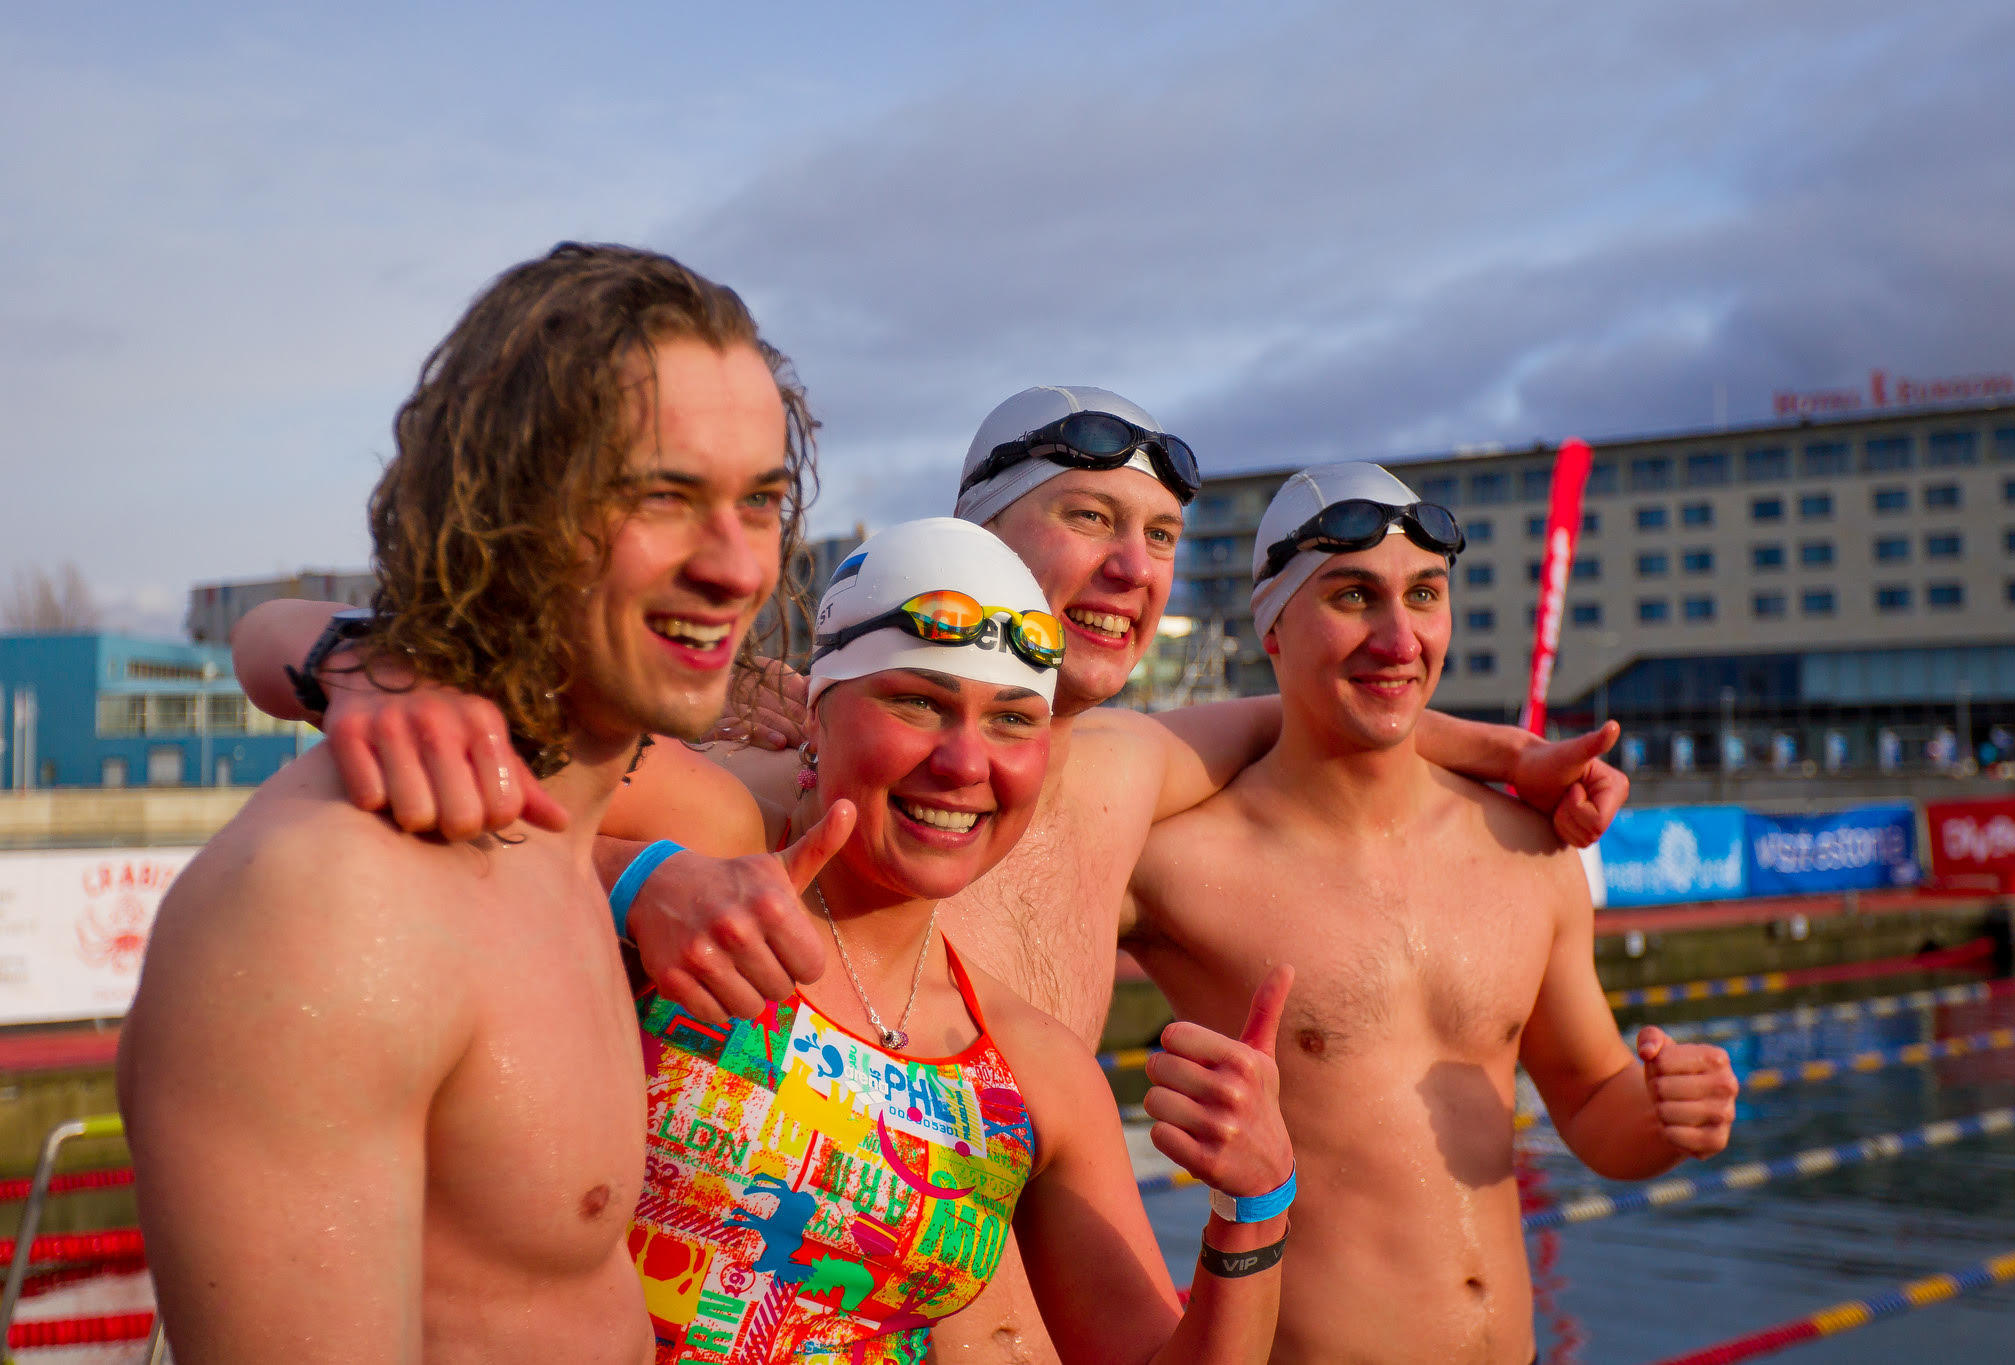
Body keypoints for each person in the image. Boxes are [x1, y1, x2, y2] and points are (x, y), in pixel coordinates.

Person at [230, 385, 1631, 1359]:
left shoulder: (1124, 766)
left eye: (1158, 539)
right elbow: (305, 658)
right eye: (1090, 518)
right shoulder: (774, 774)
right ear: (977, 533)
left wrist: (1508, 757)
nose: (1131, 567)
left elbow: (1315, 702)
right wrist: (627, 872)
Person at [116, 243, 821, 1363]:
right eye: (663, 497)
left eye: (760, 501)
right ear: (506, 507)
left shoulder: (554, 845)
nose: (738, 567)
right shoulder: (333, 909)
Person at [626, 516, 1294, 1363]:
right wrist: (631, 875)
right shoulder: (706, 847)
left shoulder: (1033, 1067)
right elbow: (453, 748)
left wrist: (1258, 1203)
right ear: (818, 715)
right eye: (918, 701)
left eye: (1013, 721)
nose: (965, 762)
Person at [1123, 460, 1739, 1364]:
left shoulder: (1526, 847)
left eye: (1424, 593)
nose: (1399, 636)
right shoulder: (1179, 861)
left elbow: (1594, 1100)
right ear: (1273, 627)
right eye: (1352, 597)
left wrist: (1666, 1114)